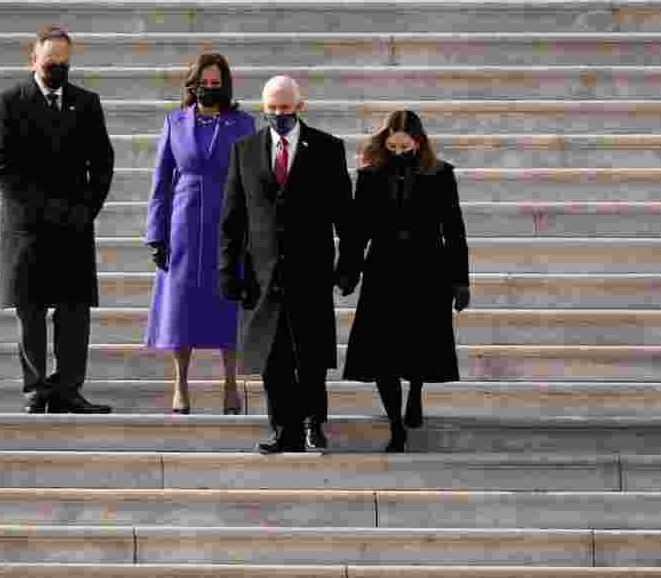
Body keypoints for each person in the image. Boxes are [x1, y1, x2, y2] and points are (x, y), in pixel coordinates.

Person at [219, 75, 355, 454]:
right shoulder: (244, 150)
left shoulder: (327, 149)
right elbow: (232, 218)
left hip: (310, 272)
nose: (279, 114)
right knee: (271, 359)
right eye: (273, 108)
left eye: (286, 107)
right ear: (264, 108)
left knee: (309, 356)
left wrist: (348, 266)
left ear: (300, 106)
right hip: (262, 277)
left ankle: (314, 423)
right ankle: (285, 430)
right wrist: (228, 271)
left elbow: (345, 215)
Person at [0, 23, 115, 414]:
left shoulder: (86, 102)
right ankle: (35, 389)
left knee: (74, 313)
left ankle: (69, 389)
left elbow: (103, 162)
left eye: (63, 62)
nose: (56, 68)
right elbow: (0, 166)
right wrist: (41, 209)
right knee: (31, 311)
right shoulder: (9, 102)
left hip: (74, 226)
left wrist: (86, 209)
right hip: (28, 227)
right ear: (34, 60)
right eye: (49, 61)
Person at [340, 110, 471, 452]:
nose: (398, 151)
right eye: (393, 145)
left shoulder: (440, 174)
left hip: (427, 268)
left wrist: (460, 280)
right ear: (385, 142)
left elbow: (454, 228)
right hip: (383, 268)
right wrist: (348, 271)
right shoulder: (370, 176)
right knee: (382, 352)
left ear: (418, 142)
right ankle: (396, 425)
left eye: (405, 145)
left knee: (418, 345)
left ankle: (415, 391)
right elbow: (357, 230)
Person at [144, 53, 255, 414]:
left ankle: (230, 384)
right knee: (181, 306)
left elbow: (252, 180)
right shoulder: (174, 121)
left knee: (228, 302)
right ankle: (180, 384)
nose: (210, 88)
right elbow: (160, 181)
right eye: (203, 83)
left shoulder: (243, 123)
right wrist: (155, 234)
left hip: (228, 219)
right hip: (184, 221)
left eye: (215, 83)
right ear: (193, 85)